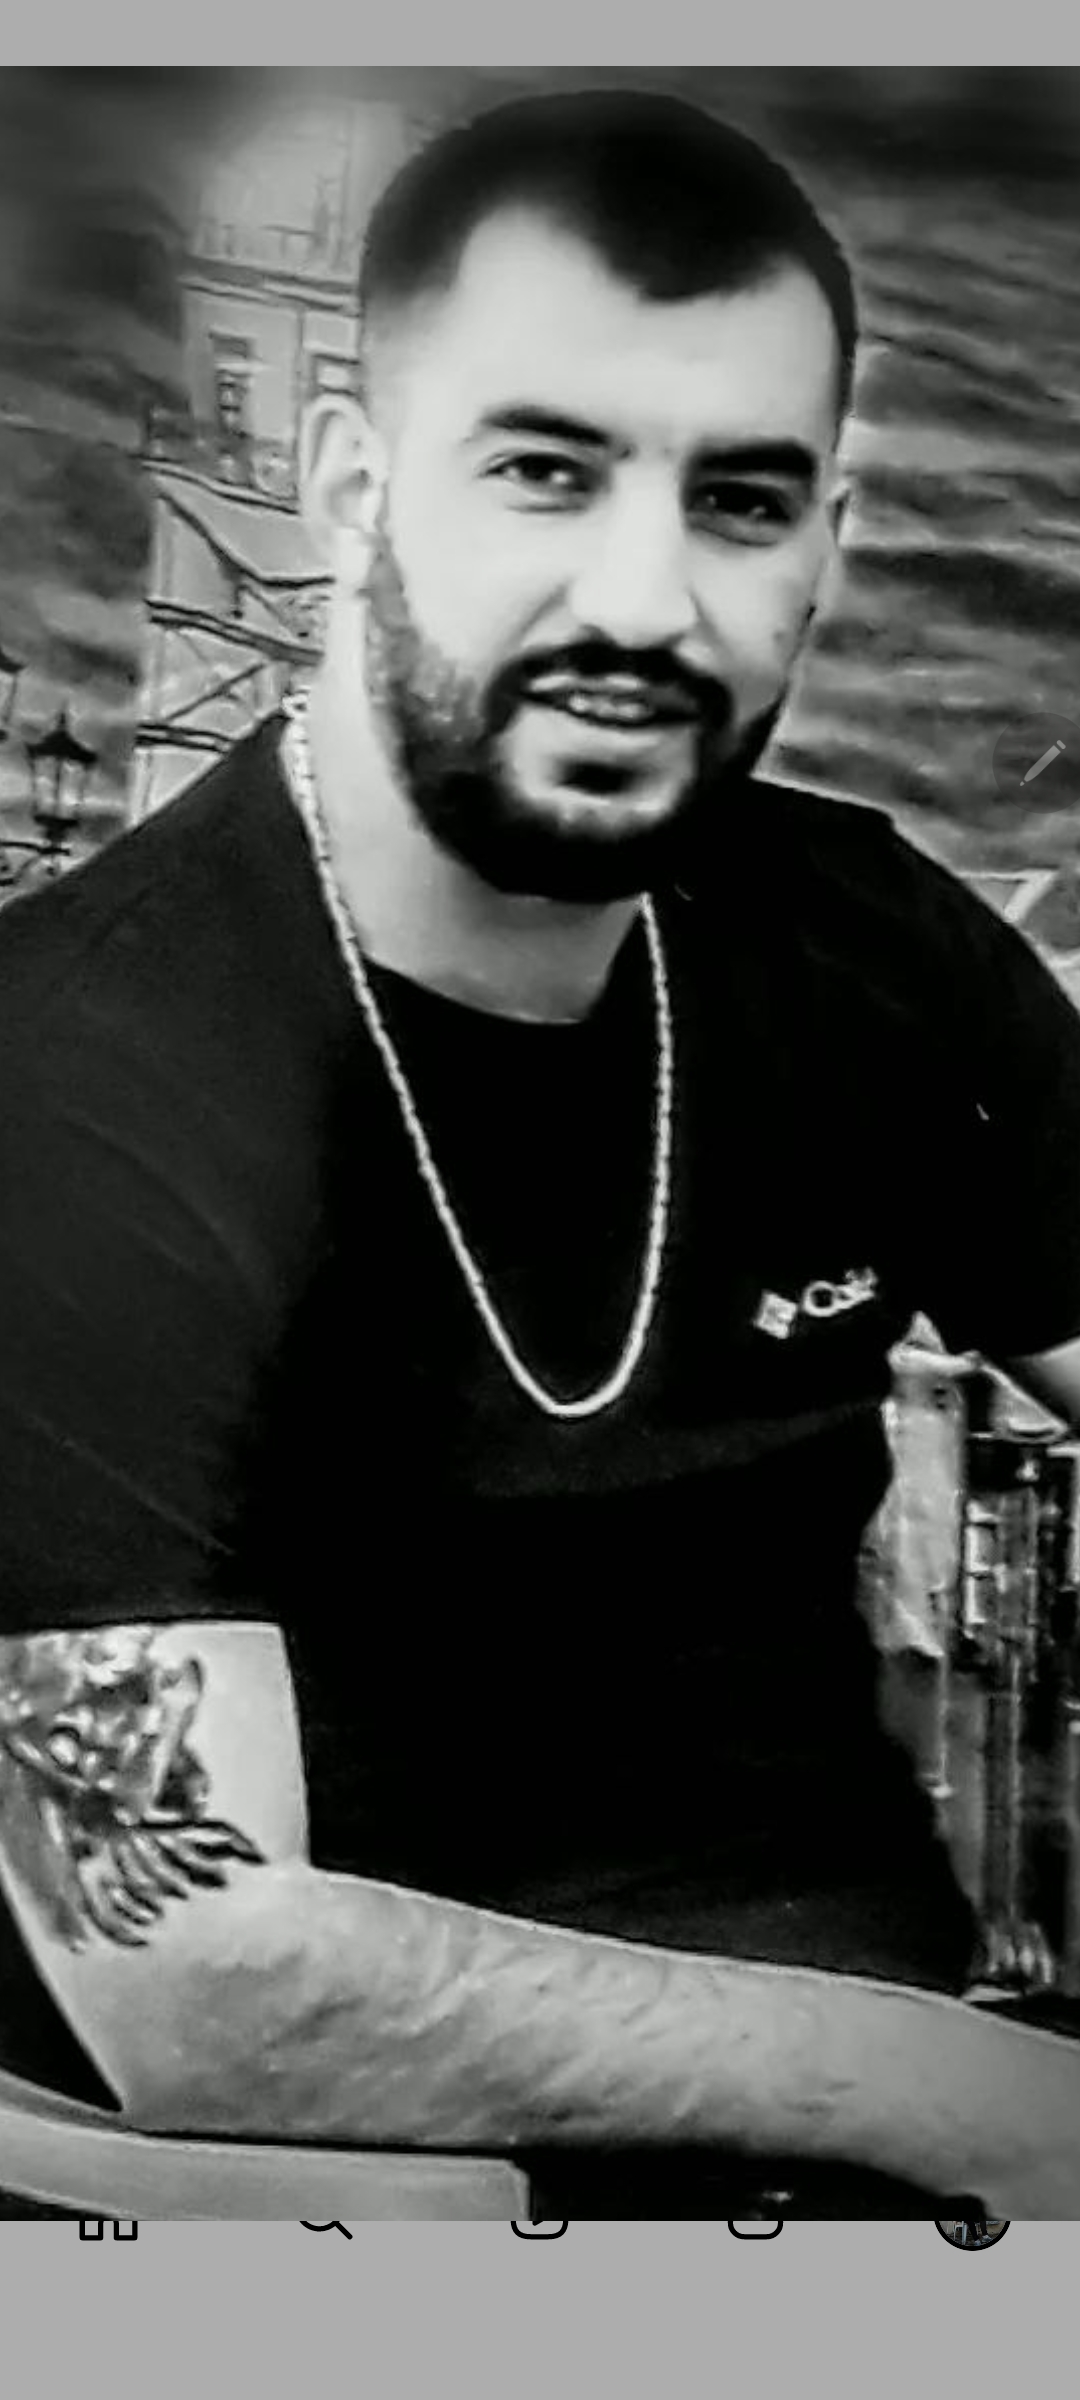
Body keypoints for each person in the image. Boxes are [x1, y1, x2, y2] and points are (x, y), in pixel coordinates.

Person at [2, 85, 1080, 2219]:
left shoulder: (870, 950)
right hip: (357, 2228)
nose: (644, 600)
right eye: (545, 472)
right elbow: (187, 1967)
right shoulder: (78, 1066)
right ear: (352, 485)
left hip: (912, 2168)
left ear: (830, 541)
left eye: (742, 500)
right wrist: (991, 2107)